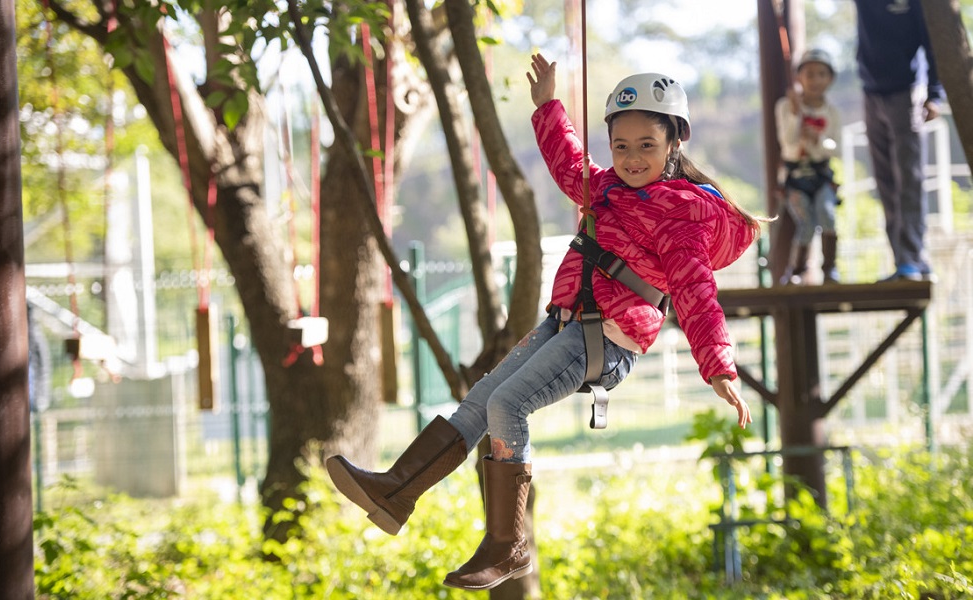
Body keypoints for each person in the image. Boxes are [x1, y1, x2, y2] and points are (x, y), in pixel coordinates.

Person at [325, 53, 760, 591]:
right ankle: (396, 492)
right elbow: (566, 161)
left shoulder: (683, 214)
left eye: (646, 145)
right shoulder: (605, 190)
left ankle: (508, 547)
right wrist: (548, 104)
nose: (631, 158)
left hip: (608, 339)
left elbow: (697, 292)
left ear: (675, 143)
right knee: (481, 401)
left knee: (510, 404)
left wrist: (719, 367)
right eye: (620, 146)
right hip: (565, 324)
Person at [854, 0, 943, 281]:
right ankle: (906, 259)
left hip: (907, 92)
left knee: (909, 178)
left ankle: (912, 258)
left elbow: (933, 44)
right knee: (885, 181)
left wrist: (935, 94)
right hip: (871, 93)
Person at [776, 48, 842, 285]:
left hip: (821, 174)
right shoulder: (786, 106)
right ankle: (796, 271)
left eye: (821, 74)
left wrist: (818, 140)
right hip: (795, 175)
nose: (815, 80)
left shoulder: (832, 113)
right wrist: (795, 115)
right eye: (810, 74)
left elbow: (837, 148)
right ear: (799, 78)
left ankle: (830, 269)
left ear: (830, 79)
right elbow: (788, 143)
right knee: (805, 222)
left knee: (827, 214)